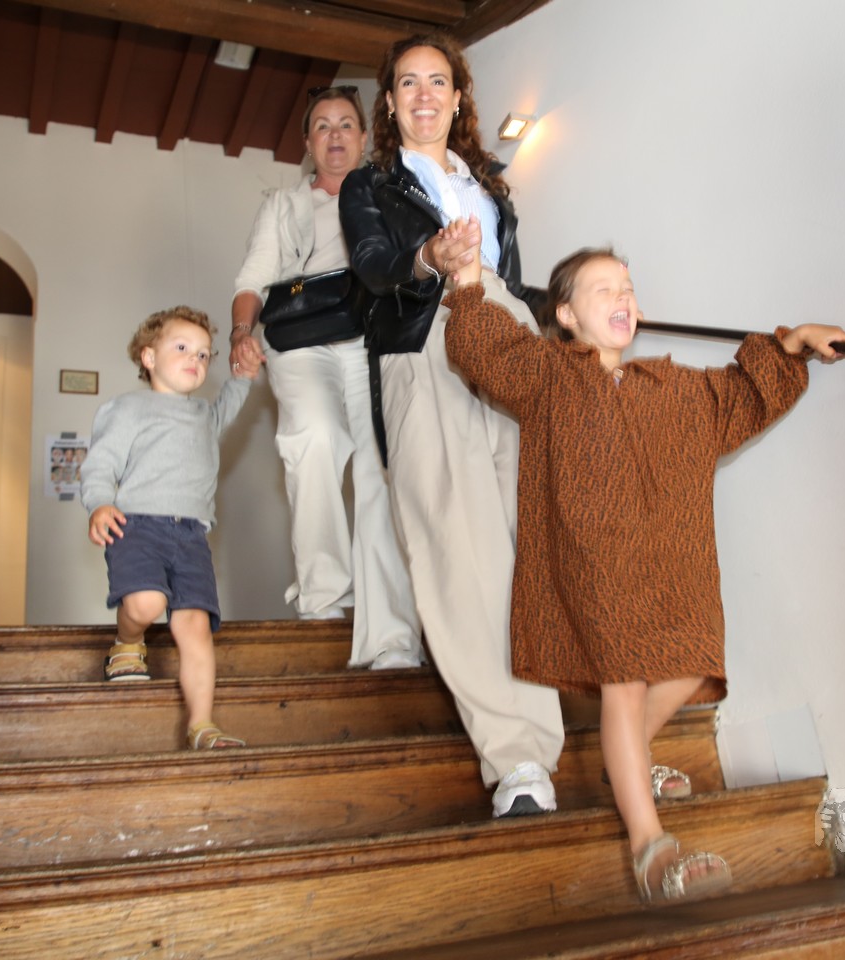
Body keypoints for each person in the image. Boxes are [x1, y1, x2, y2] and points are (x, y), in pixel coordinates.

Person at [442, 236, 845, 901]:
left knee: (693, 661)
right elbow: (487, 350)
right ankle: (650, 848)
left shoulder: (673, 388)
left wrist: (796, 342)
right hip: (590, 565)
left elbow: (740, 394)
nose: (623, 297)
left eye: (628, 289)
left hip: (666, 567)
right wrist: (465, 281)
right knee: (626, 682)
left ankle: (625, 761)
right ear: (566, 314)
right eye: (603, 288)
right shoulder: (547, 374)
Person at [338, 33, 564, 818]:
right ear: (390, 101)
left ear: (459, 96)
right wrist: (430, 255)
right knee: (460, 553)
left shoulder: (489, 184)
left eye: (439, 81)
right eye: (409, 82)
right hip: (423, 343)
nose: (425, 94)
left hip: (507, 334)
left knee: (536, 535)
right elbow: (374, 266)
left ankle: (589, 715)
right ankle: (519, 759)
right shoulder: (369, 184)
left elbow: (517, 283)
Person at [231, 85, 422, 670]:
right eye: (322, 125)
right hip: (301, 341)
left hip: (373, 341)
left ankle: (391, 633)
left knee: (379, 467)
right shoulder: (282, 205)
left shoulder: (387, 196)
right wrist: (240, 333)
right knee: (314, 438)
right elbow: (252, 279)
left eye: (345, 124)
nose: (334, 135)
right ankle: (324, 598)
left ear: (363, 138)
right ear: (308, 142)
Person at [80, 306, 262, 750]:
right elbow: (101, 464)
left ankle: (202, 725)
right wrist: (99, 503)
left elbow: (230, 403)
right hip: (137, 526)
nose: (195, 359)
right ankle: (127, 643)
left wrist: (243, 374)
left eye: (203, 354)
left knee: (195, 627)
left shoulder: (203, 415)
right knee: (145, 604)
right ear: (148, 357)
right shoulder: (127, 408)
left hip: (192, 535)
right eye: (182, 348)